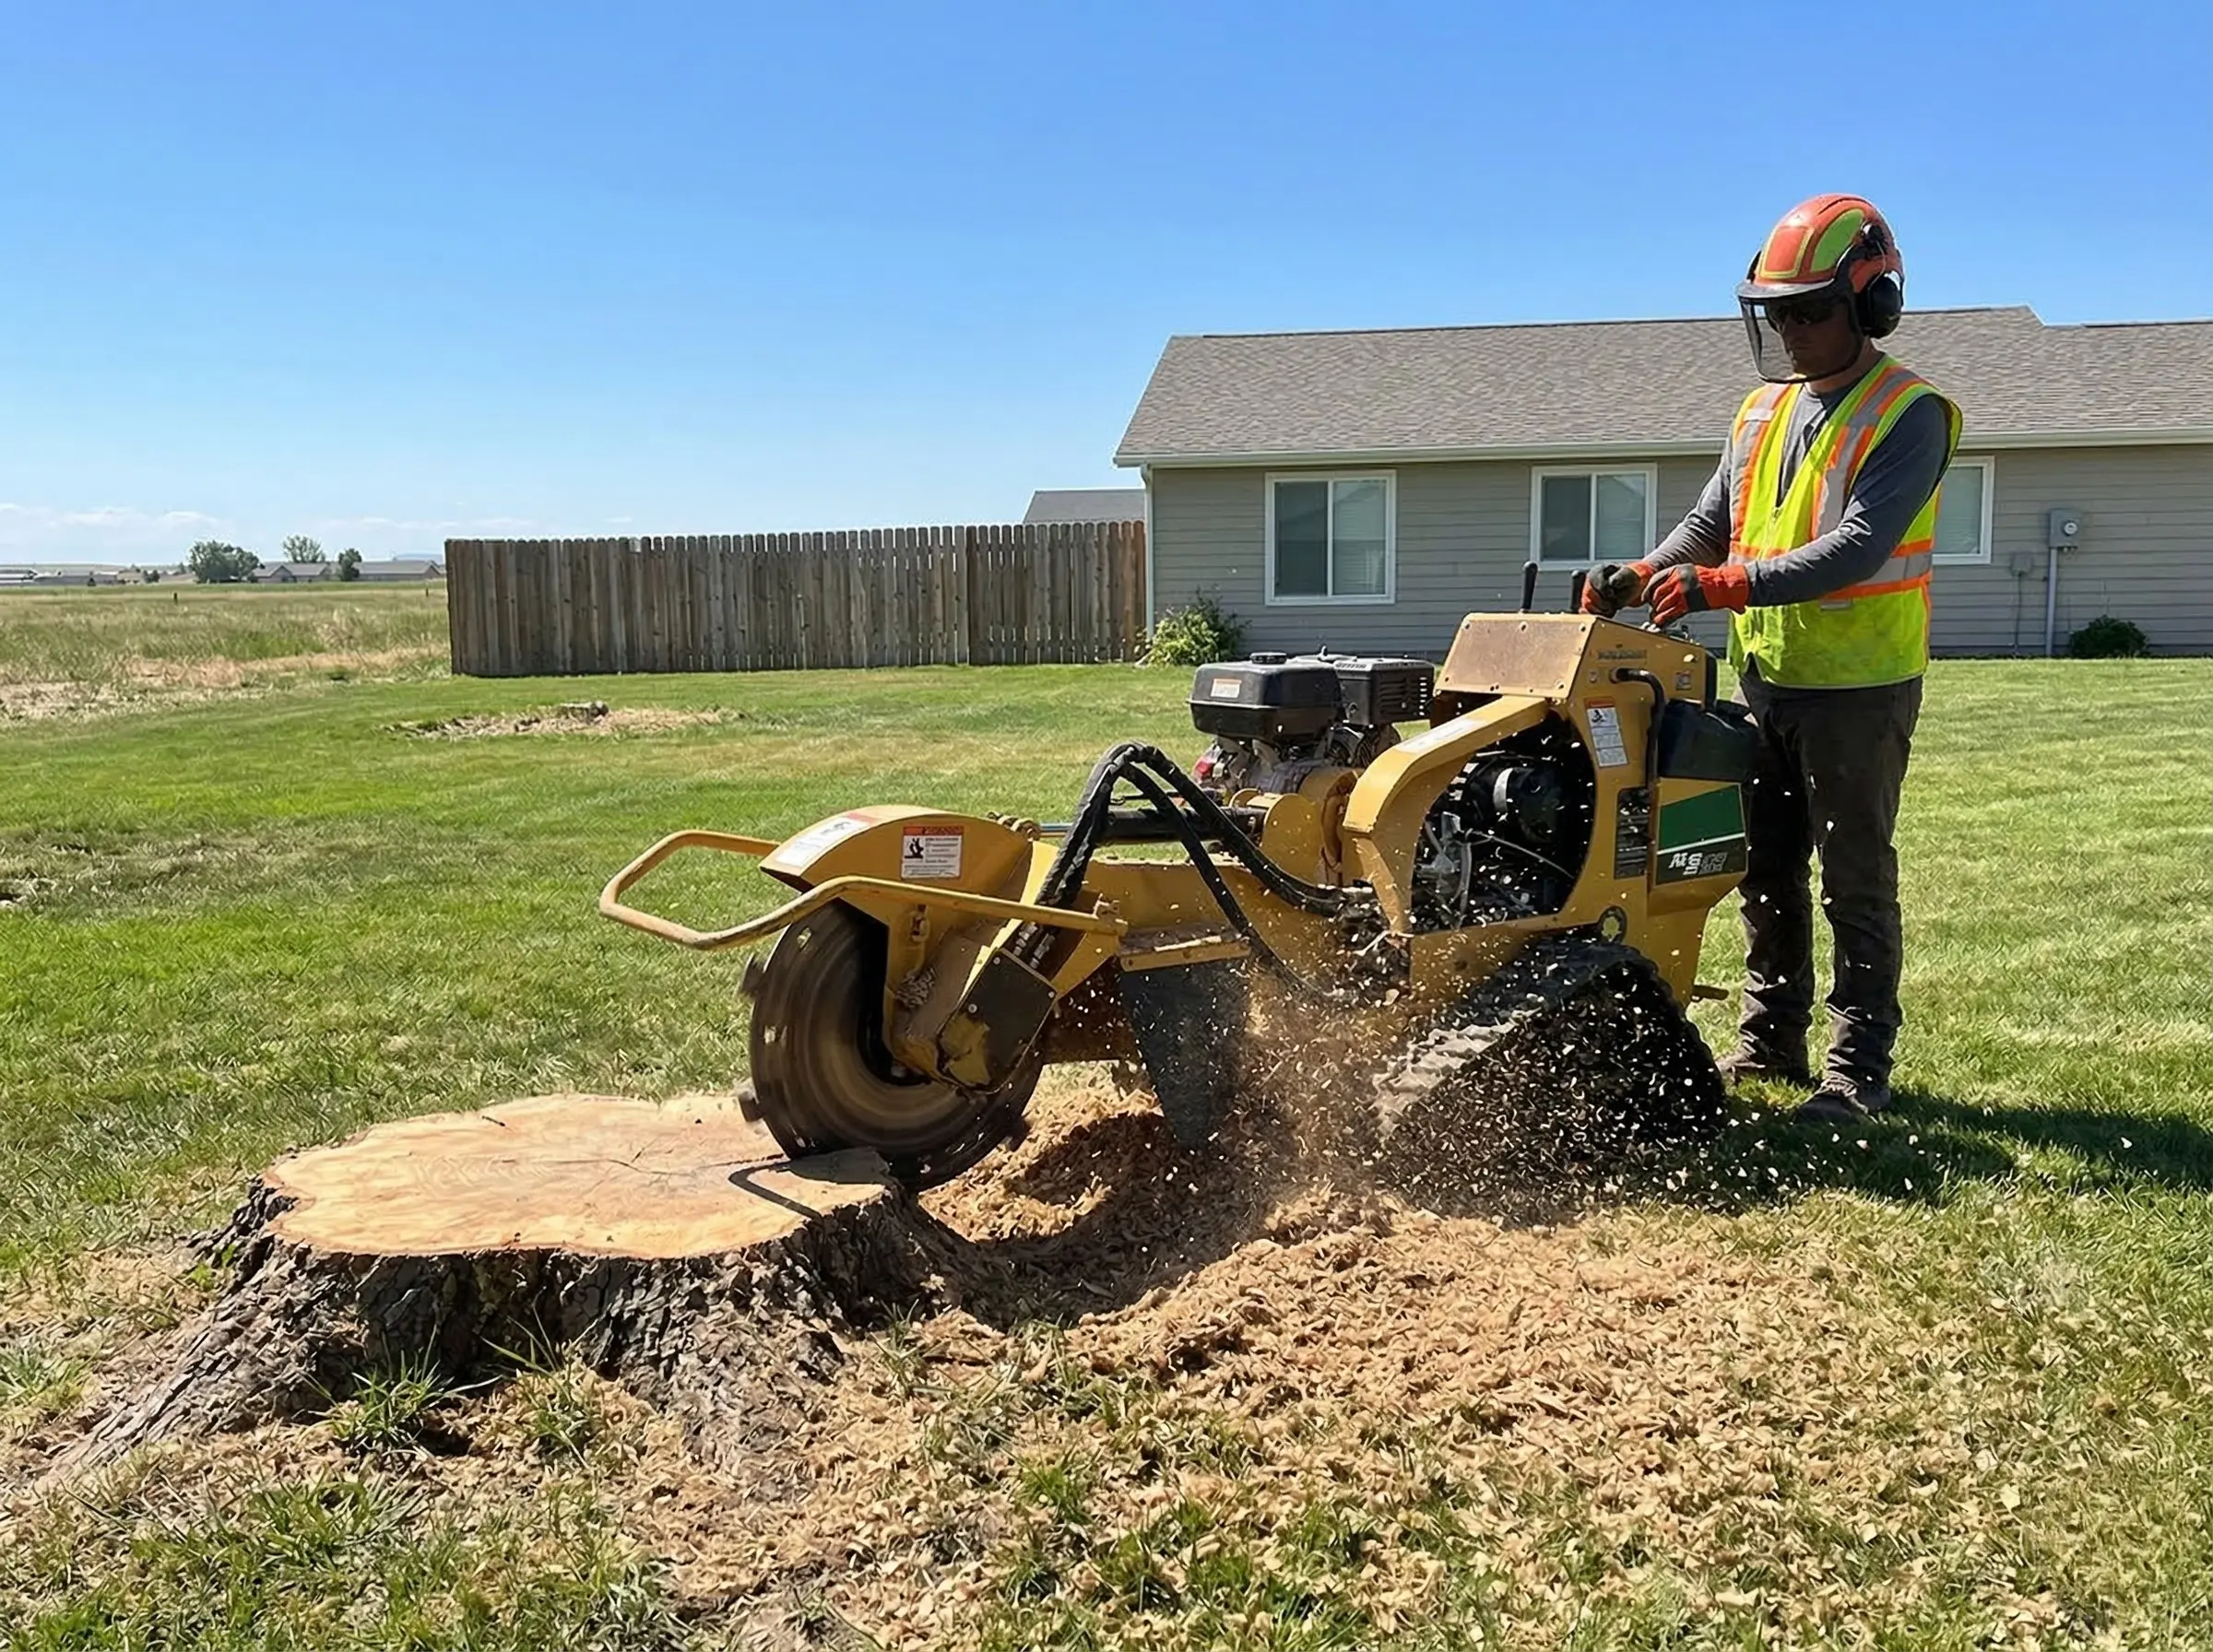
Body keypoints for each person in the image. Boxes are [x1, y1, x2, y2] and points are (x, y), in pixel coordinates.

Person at [1581, 195, 1962, 1123]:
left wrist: (1728, 586)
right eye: (1777, 314)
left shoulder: (1911, 413)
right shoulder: (1760, 412)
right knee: (1763, 868)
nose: (1791, 331)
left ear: (1873, 304)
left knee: (1854, 878)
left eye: (1811, 311)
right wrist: (1644, 571)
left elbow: (1860, 546)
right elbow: (1710, 524)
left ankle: (1857, 1069)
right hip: (1766, 679)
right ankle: (1771, 1039)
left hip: (1860, 685)